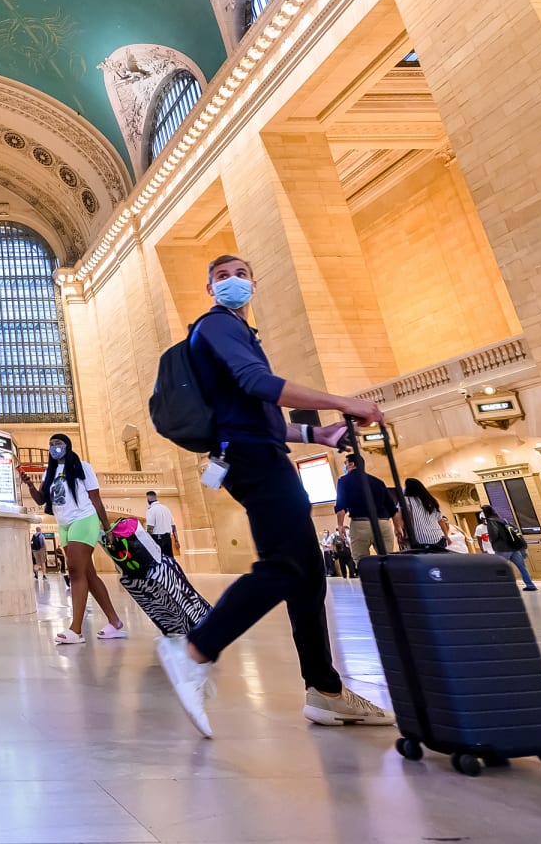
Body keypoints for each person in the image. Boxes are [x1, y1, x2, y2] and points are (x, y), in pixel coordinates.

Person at [157, 254, 393, 738]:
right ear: (209, 288)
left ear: (254, 283)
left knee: (307, 575)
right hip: (252, 458)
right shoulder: (217, 325)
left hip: (256, 451)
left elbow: (258, 414)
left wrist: (316, 436)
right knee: (286, 565)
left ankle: (325, 692)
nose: (232, 282)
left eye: (240, 274)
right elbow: (258, 385)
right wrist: (341, 401)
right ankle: (196, 649)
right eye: (222, 277)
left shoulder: (237, 332)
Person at [21, 433, 127, 644]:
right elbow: (43, 500)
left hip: (84, 520)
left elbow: (96, 499)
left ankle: (76, 629)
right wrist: (30, 486)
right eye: (51, 444)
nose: (54, 447)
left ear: (67, 446)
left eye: (58, 443)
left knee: (75, 571)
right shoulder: (48, 472)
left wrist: (107, 529)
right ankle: (115, 622)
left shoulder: (82, 467)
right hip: (64, 525)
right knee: (89, 574)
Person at [335, 453, 404, 567]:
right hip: (383, 524)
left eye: (345, 463)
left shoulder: (344, 481)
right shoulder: (378, 482)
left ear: (351, 464)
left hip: (360, 524)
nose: (345, 467)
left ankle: (371, 583)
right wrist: (397, 527)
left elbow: (341, 506)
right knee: (388, 560)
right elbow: (392, 509)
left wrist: (340, 525)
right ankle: (389, 583)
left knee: (362, 561)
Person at [480, 504, 538, 591]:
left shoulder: (491, 521)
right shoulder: (503, 520)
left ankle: (503, 586)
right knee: (522, 567)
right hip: (514, 547)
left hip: (502, 549)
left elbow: (494, 535)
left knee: (499, 567)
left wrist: (492, 541)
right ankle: (530, 585)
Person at [400, 478, 447, 551]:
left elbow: (398, 513)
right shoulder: (431, 500)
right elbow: (440, 521)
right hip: (439, 538)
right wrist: (446, 536)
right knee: (440, 562)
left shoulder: (406, 500)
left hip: (420, 540)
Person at [144, 491, 176, 559]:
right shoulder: (166, 508)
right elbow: (173, 526)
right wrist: (176, 540)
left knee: (158, 560)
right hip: (168, 538)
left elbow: (150, 528)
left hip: (157, 539)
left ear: (148, 499)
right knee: (170, 560)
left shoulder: (151, 510)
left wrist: (147, 541)